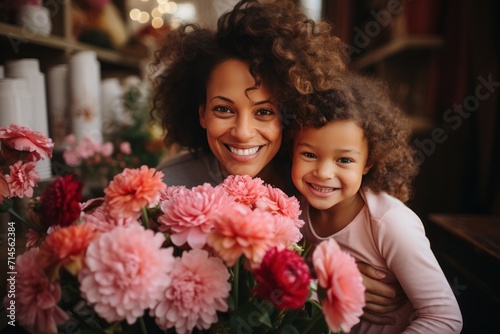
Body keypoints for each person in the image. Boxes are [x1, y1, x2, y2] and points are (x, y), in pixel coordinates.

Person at [152, 0, 405, 323]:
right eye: (223, 109)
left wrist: (344, 277)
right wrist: (323, 281)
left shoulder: (318, 182)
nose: (243, 133)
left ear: (290, 116)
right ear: (201, 113)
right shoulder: (168, 189)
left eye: (264, 112)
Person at [288, 72, 463, 333]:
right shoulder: (292, 212)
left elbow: (443, 318)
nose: (324, 172)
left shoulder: (390, 224)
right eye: (310, 154)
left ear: (368, 162)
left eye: (344, 160)